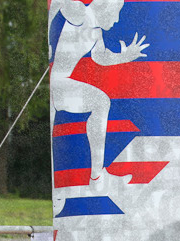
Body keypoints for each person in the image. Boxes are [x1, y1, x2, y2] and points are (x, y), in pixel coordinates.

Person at [49, 0, 148, 187]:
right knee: (101, 102)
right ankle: (96, 177)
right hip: (58, 85)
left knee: (101, 102)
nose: (117, 20)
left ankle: (97, 177)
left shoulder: (96, 32)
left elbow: (100, 57)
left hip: (63, 85)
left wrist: (125, 56)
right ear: (104, 7)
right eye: (116, 12)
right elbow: (61, 3)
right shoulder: (80, 13)